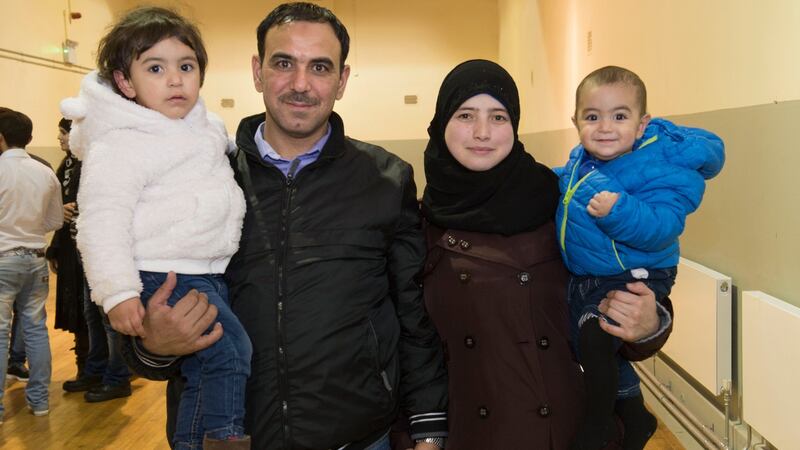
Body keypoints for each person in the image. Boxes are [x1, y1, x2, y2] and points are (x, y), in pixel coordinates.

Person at [121, 3, 449, 449]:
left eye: (319, 67)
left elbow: (413, 315)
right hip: (230, 435)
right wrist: (153, 347)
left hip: (357, 437)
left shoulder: (386, 178)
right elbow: (144, 304)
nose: (300, 84)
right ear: (257, 72)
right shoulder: (197, 175)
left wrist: (428, 427)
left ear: (342, 79)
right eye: (283, 63)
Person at [390, 60, 673, 450]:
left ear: (515, 124)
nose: (482, 132)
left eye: (499, 116)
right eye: (465, 115)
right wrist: (425, 433)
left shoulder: (561, 203)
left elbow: (624, 284)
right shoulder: (418, 223)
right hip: (471, 430)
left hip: (572, 428)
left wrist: (651, 323)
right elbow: (410, 344)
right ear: (441, 123)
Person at [60, 7, 249, 449]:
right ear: (125, 82)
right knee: (229, 355)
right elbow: (101, 221)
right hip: (161, 272)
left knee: (210, 362)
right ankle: (219, 441)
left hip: (206, 272)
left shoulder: (205, 128)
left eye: (186, 66)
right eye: (156, 68)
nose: (175, 80)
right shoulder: (121, 143)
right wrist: (117, 293)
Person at [556, 65, 724, 449]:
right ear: (576, 121)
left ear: (642, 123)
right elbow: (568, 183)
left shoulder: (662, 166)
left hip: (639, 271)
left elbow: (663, 225)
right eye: (592, 117)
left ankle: (597, 426)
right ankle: (635, 417)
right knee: (594, 343)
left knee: (595, 337)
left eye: (619, 116)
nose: (605, 127)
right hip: (599, 271)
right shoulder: (584, 159)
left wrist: (619, 211)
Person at [0, 107, 63, 421]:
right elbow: (54, 220)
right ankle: (39, 402)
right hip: (35, 261)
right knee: (36, 331)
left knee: (0, 335)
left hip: (2, 261)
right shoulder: (45, 171)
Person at [45, 117, 93, 388]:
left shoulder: (87, 165)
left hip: (84, 248)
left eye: (64, 133)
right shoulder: (68, 165)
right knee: (80, 311)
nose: (60, 139)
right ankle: (85, 367)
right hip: (69, 247)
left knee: (90, 313)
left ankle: (96, 369)